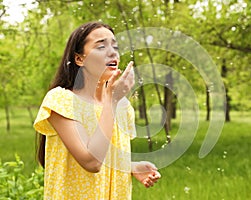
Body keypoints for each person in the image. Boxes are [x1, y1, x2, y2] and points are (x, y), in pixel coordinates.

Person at [34, 21, 161, 199]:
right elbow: (92, 162)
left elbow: (104, 154)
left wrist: (131, 166)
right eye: (101, 46)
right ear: (80, 58)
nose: (112, 52)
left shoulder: (122, 107)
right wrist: (112, 100)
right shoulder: (61, 100)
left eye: (115, 46)